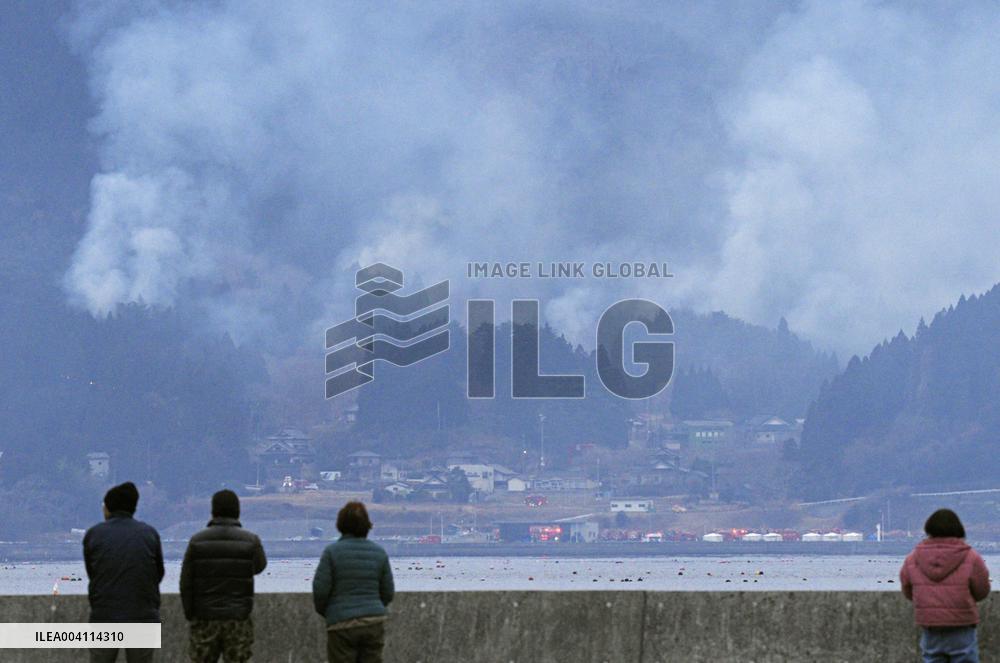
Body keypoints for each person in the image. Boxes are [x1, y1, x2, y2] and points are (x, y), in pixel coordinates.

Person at [180, 489, 267, 663]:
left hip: (205, 616)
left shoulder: (197, 541)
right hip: (237, 616)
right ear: (237, 511)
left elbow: (186, 582)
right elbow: (259, 566)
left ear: (213, 511)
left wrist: (191, 613)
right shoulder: (251, 541)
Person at [83, 481, 165, 663]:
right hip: (143, 614)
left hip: (105, 615)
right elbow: (158, 573)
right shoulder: (149, 534)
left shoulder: (94, 535)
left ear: (108, 508)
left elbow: (92, 572)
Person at [900, 509, 991, 663]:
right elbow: (982, 590)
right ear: (958, 529)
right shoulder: (971, 556)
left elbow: (908, 590)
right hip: (962, 624)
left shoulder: (913, 558)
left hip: (930, 625)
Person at [312, 501, 394, 663]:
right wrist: (373, 607)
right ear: (367, 526)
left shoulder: (331, 553)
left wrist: (330, 612)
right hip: (373, 621)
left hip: (341, 623)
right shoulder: (379, 553)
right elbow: (387, 592)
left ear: (340, 525)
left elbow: (320, 591)